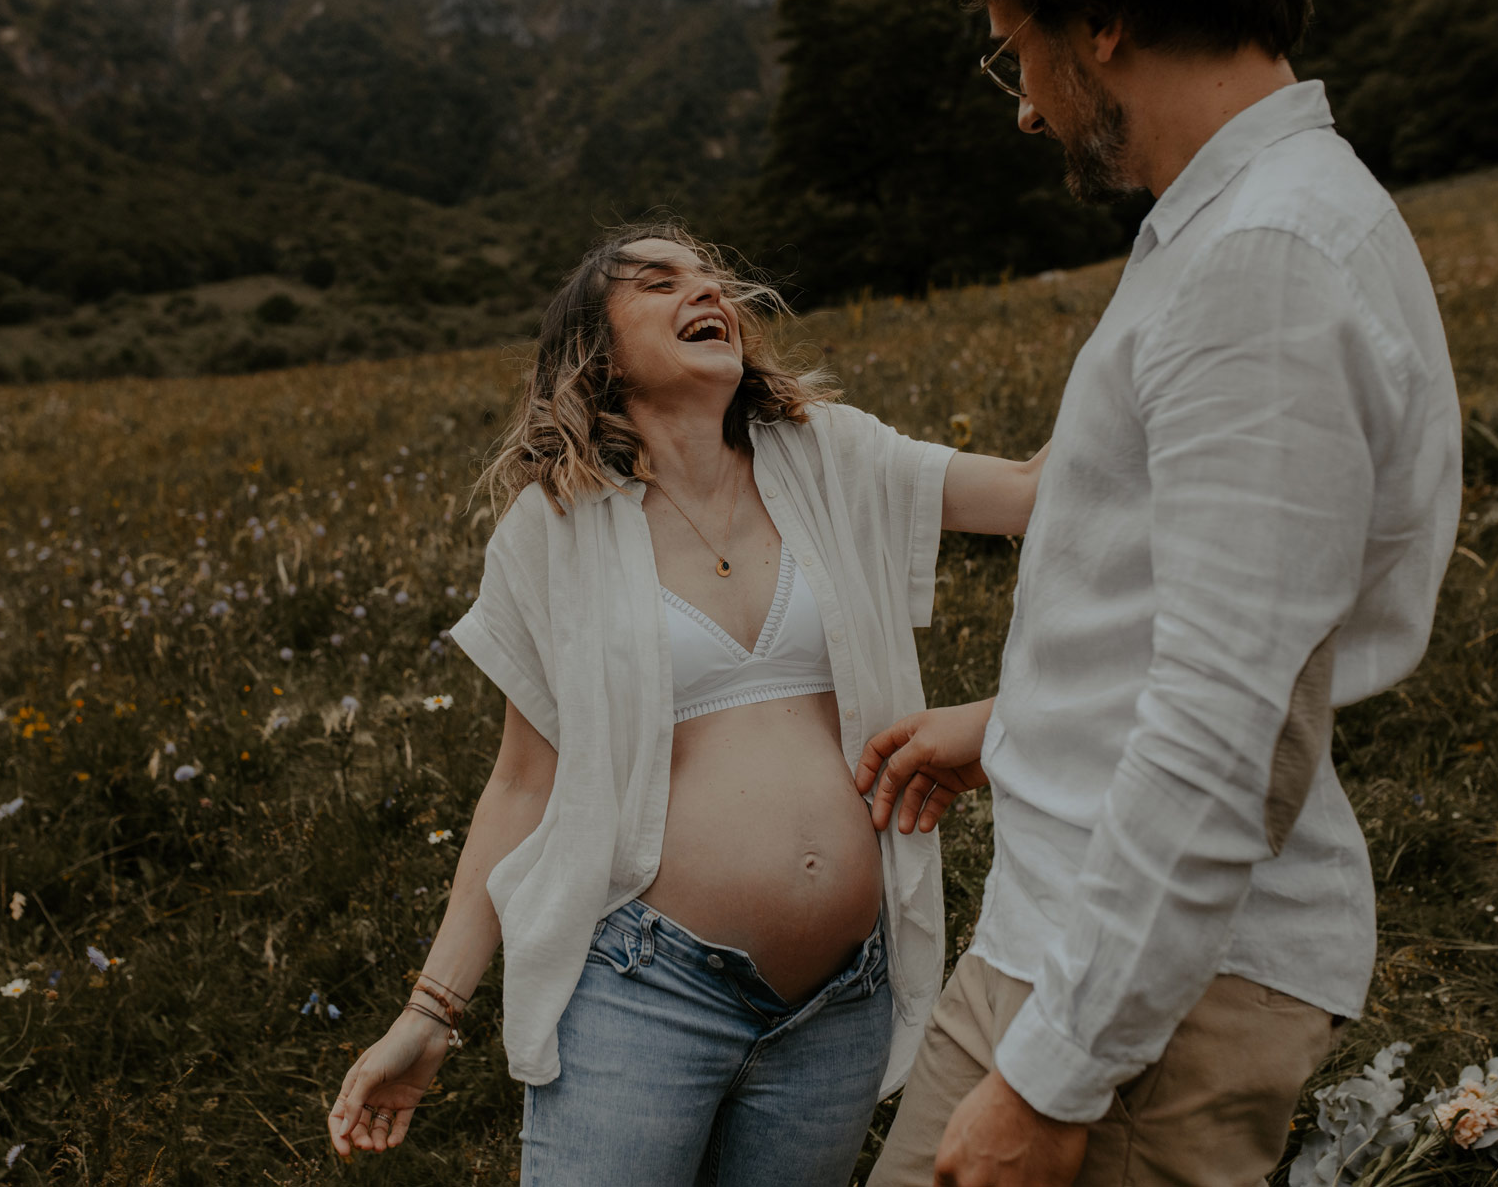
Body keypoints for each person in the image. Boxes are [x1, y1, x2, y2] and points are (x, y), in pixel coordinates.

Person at [853, 0, 1463, 1184]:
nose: (1023, 106)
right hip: (1081, 928)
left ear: (1103, 24)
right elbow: (1207, 621)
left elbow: (1233, 722)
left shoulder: (1266, 262)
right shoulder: (1231, 227)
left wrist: (1057, 1075)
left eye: (1017, 50)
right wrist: (1019, 729)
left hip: (1145, 999)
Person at [325, 223, 1049, 1184]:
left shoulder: (833, 457)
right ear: (599, 351)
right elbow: (520, 786)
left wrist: (1169, 294)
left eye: (713, 279)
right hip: (643, 993)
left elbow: (1036, 493)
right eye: (661, 281)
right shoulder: (555, 528)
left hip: (837, 1009)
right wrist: (430, 1011)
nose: (708, 292)